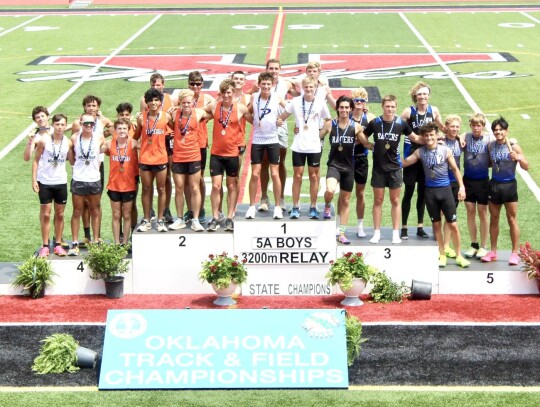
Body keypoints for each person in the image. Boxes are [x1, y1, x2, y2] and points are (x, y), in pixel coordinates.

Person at [402, 122, 470, 268]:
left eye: (431, 135)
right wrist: (389, 154)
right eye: (426, 136)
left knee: (453, 225)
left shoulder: (445, 150)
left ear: (436, 135)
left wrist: (462, 188)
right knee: (436, 225)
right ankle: (442, 254)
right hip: (430, 193)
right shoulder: (420, 152)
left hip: (445, 190)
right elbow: (405, 163)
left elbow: (455, 169)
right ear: (423, 137)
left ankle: (459, 255)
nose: (429, 138)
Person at [363, 95, 423, 244]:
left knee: (395, 200)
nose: (390, 109)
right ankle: (376, 232)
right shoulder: (375, 123)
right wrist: (369, 145)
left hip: (395, 168)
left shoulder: (401, 123)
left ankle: (395, 233)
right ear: (382, 107)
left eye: (392, 107)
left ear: (396, 107)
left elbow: (415, 138)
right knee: (378, 200)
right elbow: (362, 136)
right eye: (387, 106)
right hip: (378, 169)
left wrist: (432, 140)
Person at [278, 76, 331, 219]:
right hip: (299, 145)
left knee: (314, 176)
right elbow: (282, 117)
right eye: (306, 87)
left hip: (314, 146)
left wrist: (321, 134)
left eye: (311, 87)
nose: (308, 89)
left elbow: (328, 120)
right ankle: (296, 206)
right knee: (297, 176)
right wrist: (277, 123)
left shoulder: (320, 103)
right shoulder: (295, 102)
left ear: (315, 88)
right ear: (302, 88)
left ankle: (313, 206)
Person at [320, 96, 369, 244]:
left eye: (347, 107)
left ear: (351, 109)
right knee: (330, 190)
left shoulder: (356, 127)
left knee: (346, 200)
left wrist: (384, 146)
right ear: (337, 108)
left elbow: (366, 144)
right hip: (334, 166)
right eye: (341, 107)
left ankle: (341, 233)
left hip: (349, 168)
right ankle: (327, 205)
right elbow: (318, 137)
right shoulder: (330, 124)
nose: (344, 110)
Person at [205, 80, 252, 231]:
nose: (226, 95)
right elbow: (198, 112)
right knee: (215, 186)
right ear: (221, 93)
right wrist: (176, 110)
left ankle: (230, 217)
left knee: (231, 185)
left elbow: (256, 121)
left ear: (233, 93)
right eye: (224, 92)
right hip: (216, 154)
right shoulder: (214, 106)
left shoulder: (241, 108)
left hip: (232, 153)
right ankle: (215, 216)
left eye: (229, 92)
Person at [481, 117, 529, 265]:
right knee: (494, 219)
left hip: (509, 186)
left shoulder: (514, 147)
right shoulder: (490, 146)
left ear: (506, 131)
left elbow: (526, 166)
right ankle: (493, 251)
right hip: (494, 185)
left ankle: (514, 253)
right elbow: (491, 163)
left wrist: (518, 157)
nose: (498, 132)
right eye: (495, 130)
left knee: (512, 219)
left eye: (501, 130)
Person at [400, 82, 445, 240]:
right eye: (419, 94)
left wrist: (457, 136)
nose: (422, 97)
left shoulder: (434, 110)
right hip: (412, 154)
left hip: (427, 156)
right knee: (409, 191)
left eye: (425, 94)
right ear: (415, 96)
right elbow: (398, 128)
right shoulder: (408, 112)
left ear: (429, 95)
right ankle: (404, 227)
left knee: (423, 193)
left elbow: (442, 128)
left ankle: (420, 226)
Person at [250, 59, 295, 212]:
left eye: (276, 68)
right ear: (266, 69)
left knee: (280, 163)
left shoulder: (286, 84)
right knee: (263, 163)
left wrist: (282, 119)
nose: (274, 71)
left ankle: (280, 198)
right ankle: (264, 198)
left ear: (280, 70)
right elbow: (247, 101)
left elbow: (300, 95)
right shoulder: (258, 85)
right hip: (262, 130)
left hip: (280, 128)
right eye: (271, 68)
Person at [71, 95, 113, 245]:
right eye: (89, 106)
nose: (91, 108)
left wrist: (105, 132)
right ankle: (87, 235)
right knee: (83, 206)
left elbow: (114, 129)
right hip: (81, 171)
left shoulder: (101, 122)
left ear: (98, 107)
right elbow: (74, 149)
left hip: (97, 167)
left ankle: (97, 236)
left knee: (96, 204)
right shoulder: (77, 128)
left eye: (94, 106)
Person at [245, 72, 287, 220]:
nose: (266, 86)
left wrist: (281, 120)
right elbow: (246, 112)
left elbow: (290, 109)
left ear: (272, 85)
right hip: (257, 139)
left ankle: (277, 207)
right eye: (263, 84)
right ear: (259, 84)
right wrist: (254, 122)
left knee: (275, 173)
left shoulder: (277, 98)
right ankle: (251, 206)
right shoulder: (254, 97)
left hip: (272, 139)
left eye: (268, 84)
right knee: (255, 173)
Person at [32, 113, 72, 257]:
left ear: (65, 126)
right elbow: (36, 160)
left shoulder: (68, 142)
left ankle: (58, 244)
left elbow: (73, 160)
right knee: (47, 214)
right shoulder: (44, 140)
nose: (60, 127)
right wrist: (34, 180)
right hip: (45, 182)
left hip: (61, 182)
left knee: (60, 214)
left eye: (62, 124)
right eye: (57, 124)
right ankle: (45, 245)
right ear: (53, 125)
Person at [168, 89, 208, 232]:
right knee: (179, 188)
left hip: (193, 156)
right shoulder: (173, 113)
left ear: (193, 102)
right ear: (179, 102)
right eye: (183, 102)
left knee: (194, 188)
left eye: (189, 102)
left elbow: (213, 109)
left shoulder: (198, 113)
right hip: (178, 156)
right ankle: (179, 219)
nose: (186, 105)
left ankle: (195, 219)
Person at [133, 88, 173, 233]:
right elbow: (135, 137)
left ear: (160, 102)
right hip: (145, 159)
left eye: (156, 100)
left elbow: (176, 131)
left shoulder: (167, 117)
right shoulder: (141, 118)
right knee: (146, 189)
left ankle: (161, 220)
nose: (153, 103)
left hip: (161, 158)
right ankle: (147, 219)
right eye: (151, 100)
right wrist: (140, 147)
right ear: (147, 103)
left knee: (161, 189)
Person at [139, 73, 176, 224]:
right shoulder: (144, 100)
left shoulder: (171, 99)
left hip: (166, 142)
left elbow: (175, 124)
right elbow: (141, 123)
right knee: (147, 187)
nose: (156, 87)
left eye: (158, 85)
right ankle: (149, 213)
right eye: (153, 85)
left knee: (167, 179)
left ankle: (165, 210)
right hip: (150, 142)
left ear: (163, 84)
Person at [67, 114, 106, 256]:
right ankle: (75, 242)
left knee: (95, 210)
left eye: (91, 123)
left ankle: (95, 241)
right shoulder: (74, 138)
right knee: (77, 211)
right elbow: (71, 158)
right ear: (81, 123)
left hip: (94, 178)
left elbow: (103, 152)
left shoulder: (99, 138)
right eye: (86, 123)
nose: (89, 126)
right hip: (79, 178)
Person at [183, 71, 215, 225]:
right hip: (184, 145)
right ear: (188, 84)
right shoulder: (182, 98)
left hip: (200, 143)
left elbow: (216, 111)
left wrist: (204, 116)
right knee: (185, 180)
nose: (195, 86)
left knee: (199, 179)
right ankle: (190, 209)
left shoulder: (208, 99)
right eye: (192, 83)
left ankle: (200, 208)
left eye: (198, 84)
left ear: (202, 84)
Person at [462, 113, 494, 259]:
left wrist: (511, 141)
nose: (476, 128)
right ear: (471, 125)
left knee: (482, 212)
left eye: (479, 125)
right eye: (474, 125)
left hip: (482, 181)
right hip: (468, 180)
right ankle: (474, 244)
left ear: (483, 126)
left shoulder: (489, 138)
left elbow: (500, 143)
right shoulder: (466, 136)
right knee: (470, 211)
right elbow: (456, 137)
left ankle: (483, 246)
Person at [103, 119, 139, 244]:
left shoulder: (133, 143)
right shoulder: (109, 143)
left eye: (124, 128)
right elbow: (95, 150)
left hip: (128, 186)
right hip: (114, 185)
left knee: (127, 215)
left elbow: (147, 146)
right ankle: (117, 242)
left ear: (128, 129)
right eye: (119, 128)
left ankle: (125, 243)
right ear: (115, 130)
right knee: (116, 215)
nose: (122, 131)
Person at [350, 88, 376, 238]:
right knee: (344, 193)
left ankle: (360, 225)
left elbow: (381, 129)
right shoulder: (346, 114)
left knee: (360, 192)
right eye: (356, 100)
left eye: (362, 100)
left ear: (366, 102)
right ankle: (341, 223)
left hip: (361, 157)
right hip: (345, 157)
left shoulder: (370, 117)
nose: (359, 103)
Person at [442, 115, 465, 259]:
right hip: (442, 181)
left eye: (457, 126)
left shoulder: (460, 141)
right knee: (439, 214)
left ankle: (446, 245)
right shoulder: (440, 140)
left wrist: (512, 141)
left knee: (450, 215)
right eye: (452, 126)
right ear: (446, 127)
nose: (455, 129)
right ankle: (438, 244)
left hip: (455, 182)